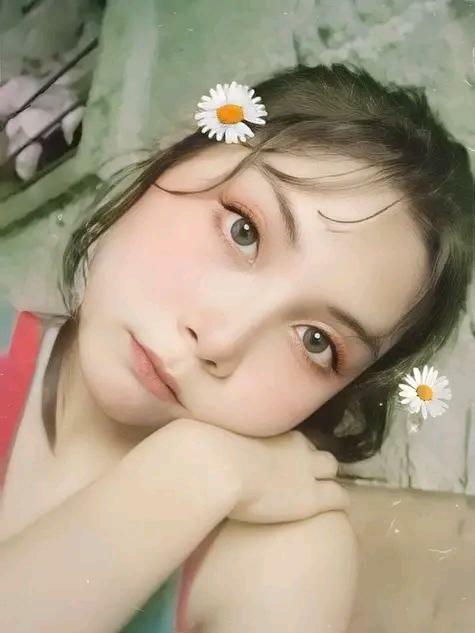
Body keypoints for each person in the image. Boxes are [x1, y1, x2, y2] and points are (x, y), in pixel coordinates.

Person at [0, 62, 472, 633]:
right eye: (243, 230)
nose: (220, 340)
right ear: (174, 149)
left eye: (317, 342)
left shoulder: (284, 561)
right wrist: (189, 475)